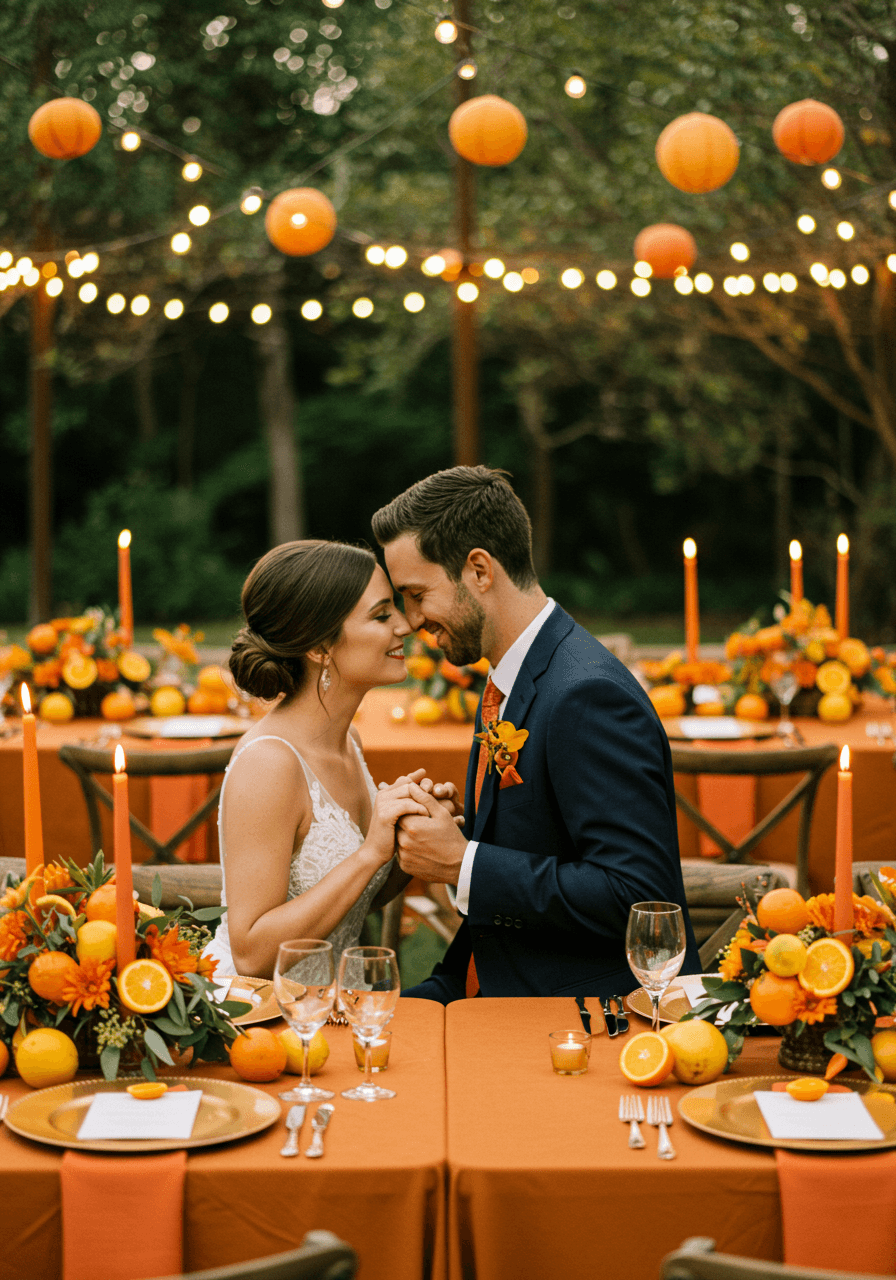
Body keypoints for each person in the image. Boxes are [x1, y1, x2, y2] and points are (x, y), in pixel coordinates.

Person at [371, 466, 700, 1002]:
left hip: (580, 1011)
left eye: (416, 594)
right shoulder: (511, 676)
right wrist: (459, 833)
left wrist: (462, 862)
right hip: (492, 978)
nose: (408, 621)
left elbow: (641, 898)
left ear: (479, 569)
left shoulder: (586, 695)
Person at [204, 539, 455, 978]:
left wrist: (404, 837)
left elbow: (354, 901)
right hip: (267, 1022)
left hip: (339, 1009)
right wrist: (369, 853)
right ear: (320, 647)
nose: (404, 625)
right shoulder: (270, 765)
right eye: (381, 615)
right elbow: (252, 955)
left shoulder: (348, 741)